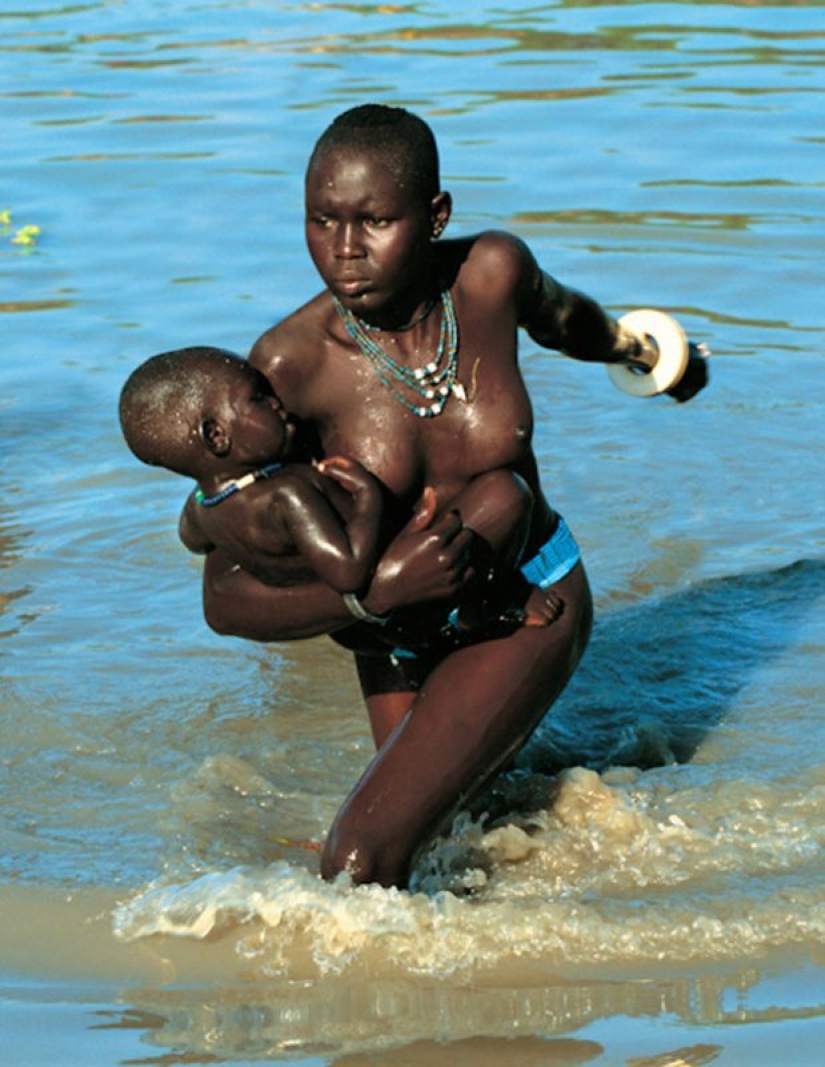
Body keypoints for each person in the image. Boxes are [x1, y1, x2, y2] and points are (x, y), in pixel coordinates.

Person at [199, 103, 708, 889]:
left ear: (435, 216)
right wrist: (376, 599)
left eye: (373, 221)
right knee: (459, 835)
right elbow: (225, 596)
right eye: (321, 220)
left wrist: (646, 355)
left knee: (360, 858)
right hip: (394, 635)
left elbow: (566, 318)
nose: (343, 252)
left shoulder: (491, 274)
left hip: (527, 595)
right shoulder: (289, 369)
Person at [119, 345, 560, 635]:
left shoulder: (205, 508)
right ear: (217, 437)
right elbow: (348, 571)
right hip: (389, 589)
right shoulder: (286, 493)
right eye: (256, 398)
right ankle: (480, 605)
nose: (276, 402)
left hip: (344, 625)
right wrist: (367, 496)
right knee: (505, 499)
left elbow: (190, 539)